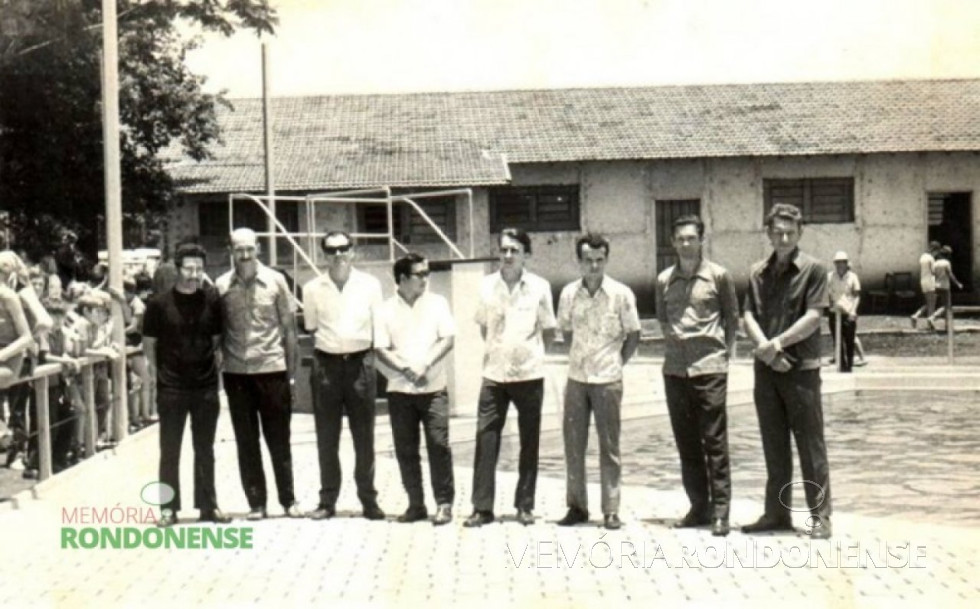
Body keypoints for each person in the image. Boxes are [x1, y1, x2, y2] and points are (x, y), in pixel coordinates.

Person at [742, 203, 832, 539]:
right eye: (777, 232)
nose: (783, 238)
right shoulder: (756, 272)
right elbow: (748, 315)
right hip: (767, 370)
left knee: (811, 447)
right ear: (768, 233)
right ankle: (776, 514)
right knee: (773, 445)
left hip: (801, 370)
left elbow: (813, 317)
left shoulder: (814, 270)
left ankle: (820, 517)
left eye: (789, 233)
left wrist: (775, 344)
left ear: (799, 233)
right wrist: (767, 351)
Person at [464, 227, 558, 528]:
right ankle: (482, 507)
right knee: (486, 437)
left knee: (529, 441)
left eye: (514, 250)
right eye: (503, 249)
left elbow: (549, 330)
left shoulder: (541, 287)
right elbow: (483, 327)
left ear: (525, 254)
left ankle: (525, 505)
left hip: (529, 374)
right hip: (494, 374)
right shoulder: (486, 286)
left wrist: (527, 353)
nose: (507, 255)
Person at [654, 216, 738, 537]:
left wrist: (723, 354)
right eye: (680, 238)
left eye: (691, 238)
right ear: (673, 242)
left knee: (714, 441)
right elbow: (663, 321)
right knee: (686, 441)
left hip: (710, 368)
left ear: (701, 240)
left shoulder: (719, 276)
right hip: (675, 370)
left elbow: (731, 318)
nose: (686, 244)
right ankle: (698, 506)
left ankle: (721, 512)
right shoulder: (664, 279)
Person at [555, 234, 640, 531]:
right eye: (588, 260)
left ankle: (611, 510)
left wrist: (616, 362)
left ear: (606, 259)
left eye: (599, 260)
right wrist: (581, 358)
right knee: (574, 445)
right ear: (579, 261)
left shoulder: (621, 294)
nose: (593, 266)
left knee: (609, 446)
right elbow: (566, 332)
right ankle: (576, 506)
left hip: (608, 380)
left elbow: (634, 335)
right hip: (577, 378)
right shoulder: (567, 294)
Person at [142, 243, 231, 527]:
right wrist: (164, 374)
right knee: (170, 450)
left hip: (205, 387)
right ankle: (168, 509)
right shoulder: (158, 304)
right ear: (177, 269)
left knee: (204, 448)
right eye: (189, 268)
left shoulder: (212, 301)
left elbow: (216, 341)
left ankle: (208, 506)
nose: (194, 274)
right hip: (171, 389)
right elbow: (149, 346)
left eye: (199, 269)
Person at [216, 228, 301, 520]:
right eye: (239, 249)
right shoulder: (221, 285)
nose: (245, 255)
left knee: (279, 439)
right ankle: (257, 503)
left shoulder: (277, 281)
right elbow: (218, 332)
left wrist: (291, 374)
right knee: (246, 440)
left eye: (249, 248)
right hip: (237, 373)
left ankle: (288, 500)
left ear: (258, 248)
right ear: (231, 250)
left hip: (272, 370)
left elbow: (290, 330)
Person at [302, 230, 385, 521]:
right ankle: (327, 500)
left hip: (360, 364)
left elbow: (379, 328)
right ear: (323, 254)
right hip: (326, 366)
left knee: (364, 437)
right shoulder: (312, 288)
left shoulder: (370, 285)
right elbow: (311, 326)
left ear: (353, 251)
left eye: (343, 249)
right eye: (331, 250)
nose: (337, 255)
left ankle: (369, 500)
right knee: (327, 436)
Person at [374, 253, 456, 526]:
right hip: (400, 391)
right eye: (420, 274)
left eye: (427, 273)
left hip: (434, 388)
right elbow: (380, 348)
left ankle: (444, 504)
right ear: (402, 279)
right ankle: (416, 504)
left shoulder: (438, 303)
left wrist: (424, 366)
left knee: (439, 445)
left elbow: (447, 339)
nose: (425, 279)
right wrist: (406, 370)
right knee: (406, 450)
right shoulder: (384, 310)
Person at [826, 251, 861, 373]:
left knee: (849, 340)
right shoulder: (830, 276)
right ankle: (841, 366)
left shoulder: (852, 277)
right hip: (835, 313)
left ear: (846, 263)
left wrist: (853, 310)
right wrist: (829, 304)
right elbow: (827, 293)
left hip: (848, 312)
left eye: (842, 262)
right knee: (837, 340)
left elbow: (856, 295)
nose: (840, 265)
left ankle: (849, 365)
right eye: (837, 263)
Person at [927, 245, 963, 327]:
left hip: (935, 285)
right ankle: (933, 317)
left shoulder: (935, 263)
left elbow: (932, 274)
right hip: (945, 286)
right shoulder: (947, 263)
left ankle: (945, 324)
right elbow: (950, 275)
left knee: (939, 304)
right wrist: (957, 284)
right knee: (947, 306)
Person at [910, 241, 941, 330]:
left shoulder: (922, 257)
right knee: (932, 303)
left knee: (928, 302)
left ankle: (916, 315)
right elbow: (933, 271)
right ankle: (930, 322)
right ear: (934, 250)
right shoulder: (931, 258)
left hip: (923, 281)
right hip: (931, 281)